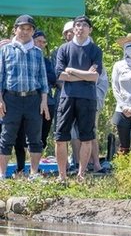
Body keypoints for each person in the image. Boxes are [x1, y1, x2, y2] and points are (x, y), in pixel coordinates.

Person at [0, 15, 51, 179]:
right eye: (22, 28)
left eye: (29, 29)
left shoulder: (37, 52)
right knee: (7, 137)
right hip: (11, 99)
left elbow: (43, 80)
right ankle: (1, 173)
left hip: (33, 99)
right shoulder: (5, 50)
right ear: (15, 29)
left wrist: (44, 101)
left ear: (33, 32)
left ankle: (34, 173)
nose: (25, 32)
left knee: (35, 138)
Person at [54, 16, 103, 182]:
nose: (80, 28)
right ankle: (62, 176)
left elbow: (94, 77)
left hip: (88, 98)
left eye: (84, 25)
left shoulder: (95, 50)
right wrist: (84, 75)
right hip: (67, 97)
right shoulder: (64, 49)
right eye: (77, 25)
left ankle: (81, 174)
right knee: (60, 137)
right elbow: (60, 75)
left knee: (86, 137)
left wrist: (71, 70)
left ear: (90, 29)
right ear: (73, 29)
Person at [13, 28, 57, 176]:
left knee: (39, 138)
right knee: (19, 137)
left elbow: (52, 78)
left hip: (45, 103)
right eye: (39, 41)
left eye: (44, 42)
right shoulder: (17, 54)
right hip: (24, 100)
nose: (42, 44)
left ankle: (34, 169)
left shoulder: (46, 60)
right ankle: (20, 169)